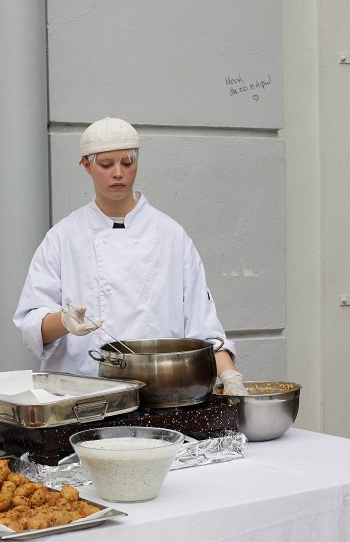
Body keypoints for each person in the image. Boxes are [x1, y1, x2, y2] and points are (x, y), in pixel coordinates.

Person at [13, 116, 248, 395]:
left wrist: (230, 376)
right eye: (106, 164)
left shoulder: (171, 236)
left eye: (127, 163)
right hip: (82, 396)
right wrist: (63, 321)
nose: (118, 173)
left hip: (159, 394)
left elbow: (205, 328)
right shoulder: (63, 238)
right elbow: (31, 325)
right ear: (85, 165)